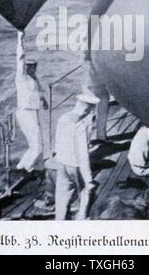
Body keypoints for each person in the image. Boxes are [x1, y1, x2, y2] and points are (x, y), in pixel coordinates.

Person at [54, 92, 99, 220]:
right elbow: (83, 156)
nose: (89, 113)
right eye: (89, 110)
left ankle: (59, 220)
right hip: (75, 166)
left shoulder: (63, 118)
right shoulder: (80, 126)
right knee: (84, 192)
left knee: (61, 195)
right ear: (86, 109)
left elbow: (57, 143)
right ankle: (82, 219)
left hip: (62, 163)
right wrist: (89, 180)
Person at [15, 31, 49, 172]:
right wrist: (20, 38)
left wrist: (44, 100)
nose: (33, 68)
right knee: (37, 146)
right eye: (30, 66)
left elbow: (39, 92)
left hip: (33, 112)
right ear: (26, 67)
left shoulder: (35, 79)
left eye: (35, 66)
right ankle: (27, 168)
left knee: (34, 144)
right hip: (25, 112)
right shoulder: (21, 78)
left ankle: (21, 166)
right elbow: (20, 59)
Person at [83, 55, 110, 143]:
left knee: (101, 112)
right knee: (90, 115)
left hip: (98, 86)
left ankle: (100, 137)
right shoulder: (89, 60)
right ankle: (88, 140)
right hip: (92, 87)